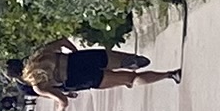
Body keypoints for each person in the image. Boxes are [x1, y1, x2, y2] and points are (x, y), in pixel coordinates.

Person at [12, 39, 183, 96]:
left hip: (77, 78)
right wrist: (75, 54)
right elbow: (63, 41)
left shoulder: (38, 86)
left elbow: (62, 100)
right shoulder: (40, 54)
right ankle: (131, 61)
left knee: (129, 80)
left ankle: (169, 75)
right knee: (122, 60)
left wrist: (61, 106)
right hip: (80, 59)